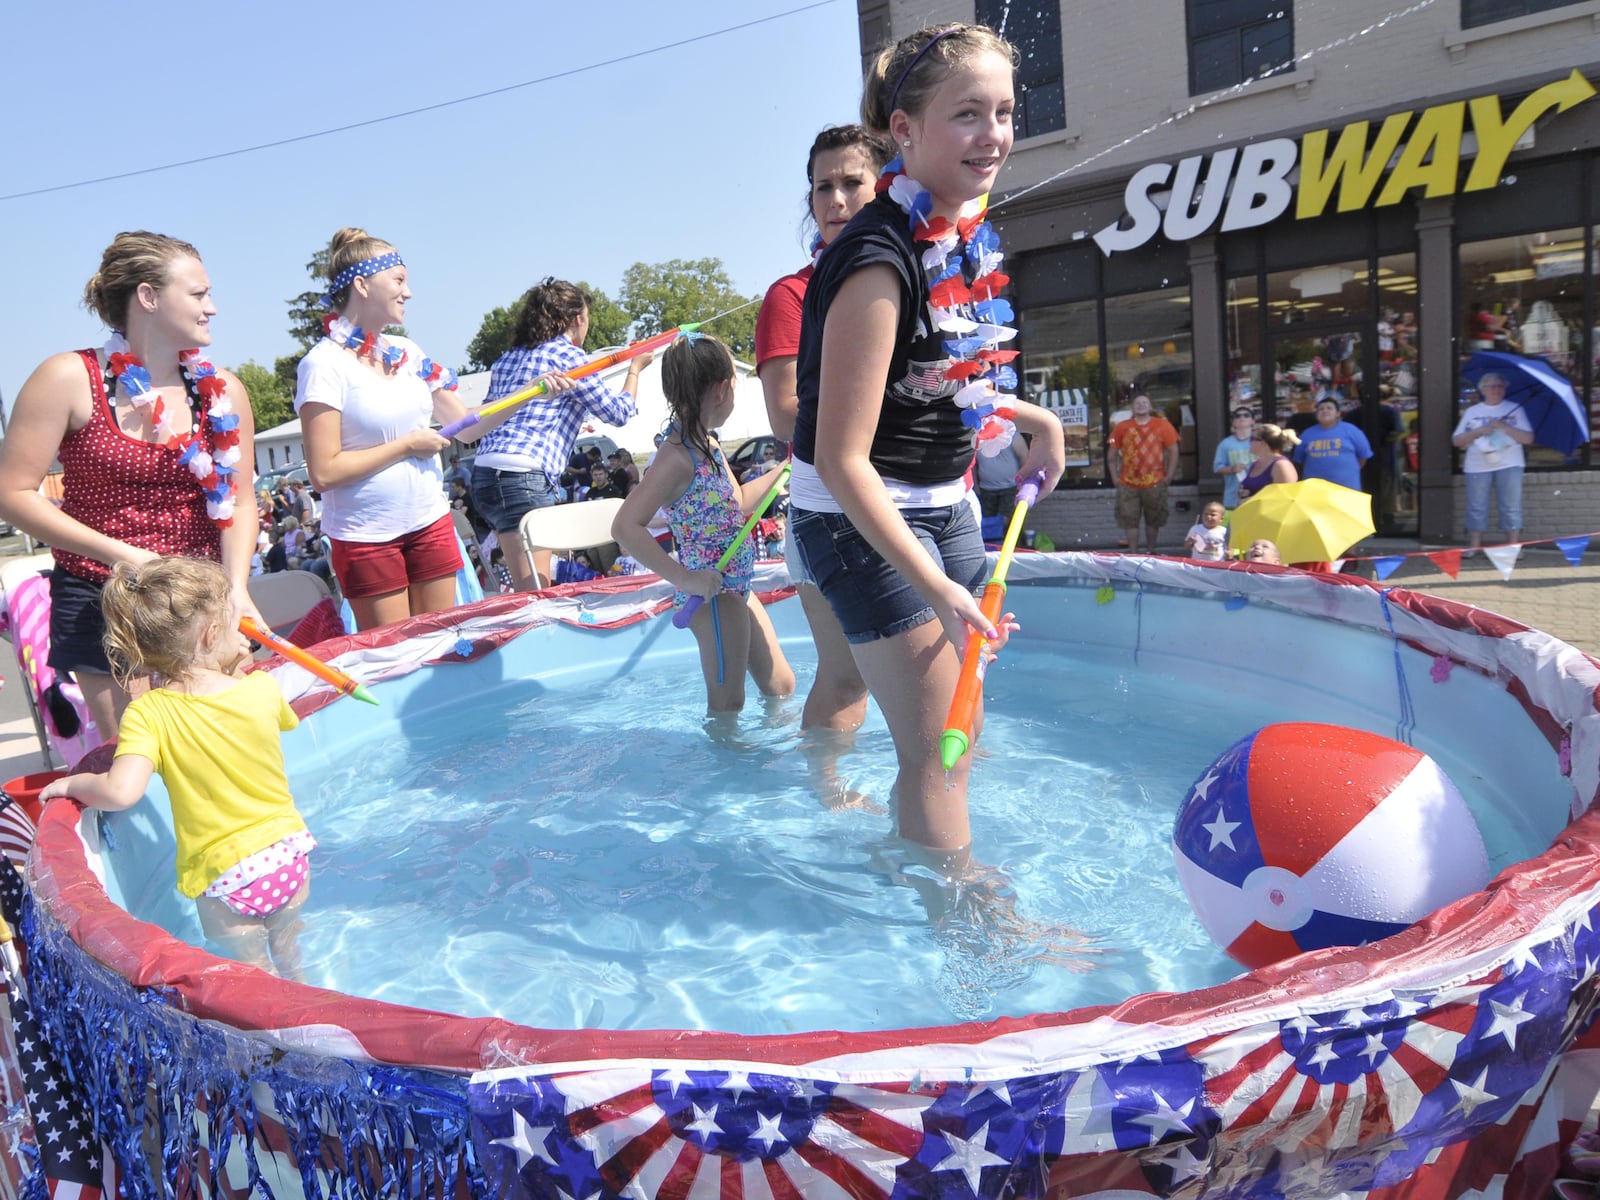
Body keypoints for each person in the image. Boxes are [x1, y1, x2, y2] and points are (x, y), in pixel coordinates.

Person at [786, 23, 1067, 859]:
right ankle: (973, 933)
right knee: (941, 749)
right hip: (859, 515)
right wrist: (939, 588)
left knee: (959, 731)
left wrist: (1036, 421)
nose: (995, 135)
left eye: (1006, 112)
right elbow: (841, 457)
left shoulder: (955, 231)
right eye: (968, 114)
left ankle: (900, 852)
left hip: (944, 505)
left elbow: (935, 377)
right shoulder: (879, 257)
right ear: (903, 130)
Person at [0, 231, 263, 738]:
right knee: (144, 762)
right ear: (148, 297)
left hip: (199, 601)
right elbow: (11, 494)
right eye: (198, 294)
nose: (213, 307)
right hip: (105, 599)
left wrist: (235, 590)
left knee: (230, 748)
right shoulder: (68, 377)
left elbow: (240, 498)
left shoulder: (224, 390)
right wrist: (128, 556)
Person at [40, 558, 313, 979]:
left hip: (226, 876)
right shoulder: (261, 688)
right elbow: (278, 719)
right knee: (292, 959)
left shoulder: (149, 713)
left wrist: (74, 782)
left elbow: (120, 792)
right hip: (288, 853)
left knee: (253, 979)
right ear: (211, 634)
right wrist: (234, 668)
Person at [296, 228, 552, 631]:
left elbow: (467, 427)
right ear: (362, 285)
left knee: (443, 642)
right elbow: (324, 473)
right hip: (366, 536)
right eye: (398, 280)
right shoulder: (322, 365)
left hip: (428, 522)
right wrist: (407, 445)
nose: (408, 292)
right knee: (395, 656)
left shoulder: (407, 354)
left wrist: (529, 392)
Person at [755, 122, 892, 753]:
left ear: (885, 183)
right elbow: (786, 418)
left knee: (952, 664)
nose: (835, 200)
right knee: (848, 676)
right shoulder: (790, 296)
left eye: (851, 183)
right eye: (821, 187)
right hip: (832, 508)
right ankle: (825, 801)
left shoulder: (922, 273)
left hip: (933, 501)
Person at [611, 335, 796, 717]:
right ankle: (734, 774)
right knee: (728, 705)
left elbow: (738, 502)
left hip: (735, 584)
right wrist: (685, 578)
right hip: (709, 593)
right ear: (721, 388)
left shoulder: (706, 445)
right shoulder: (676, 458)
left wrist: (787, 470)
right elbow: (625, 526)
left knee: (781, 686)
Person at [469, 279, 645, 591]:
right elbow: (618, 413)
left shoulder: (507, 359)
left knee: (528, 585)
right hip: (523, 475)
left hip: (485, 473)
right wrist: (635, 369)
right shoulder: (570, 358)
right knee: (537, 591)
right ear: (578, 319)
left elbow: (489, 413)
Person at [1452, 371, 1534, 554]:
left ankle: (1511, 546)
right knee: (1476, 505)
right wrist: (1479, 430)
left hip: (1510, 464)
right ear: (1483, 390)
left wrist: (1504, 427)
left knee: (1511, 506)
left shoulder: (1515, 409)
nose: (1496, 390)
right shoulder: (1473, 412)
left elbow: (1528, 438)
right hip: (1477, 465)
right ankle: (1474, 545)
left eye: (1500, 386)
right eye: (1492, 386)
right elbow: (1457, 441)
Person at [1108, 394, 1179, 552]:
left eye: (1145, 402)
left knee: (1154, 519)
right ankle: (1134, 553)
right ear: (1132, 408)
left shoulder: (1163, 425)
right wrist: (1114, 477)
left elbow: (1174, 451)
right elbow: (1111, 453)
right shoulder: (1121, 427)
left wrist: (1169, 477)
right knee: (1129, 520)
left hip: (1155, 482)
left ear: (1151, 407)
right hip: (1127, 483)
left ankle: (1150, 550)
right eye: (1137, 403)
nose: (1141, 405)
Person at [1294, 396, 1372, 492]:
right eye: (1321, 409)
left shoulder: (1352, 431)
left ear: (1338, 413)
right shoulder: (1306, 434)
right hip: (1316, 491)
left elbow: (1363, 456)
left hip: (1347, 489)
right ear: (1316, 414)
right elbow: (1299, 460)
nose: (1325, 411)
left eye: (1329, 408)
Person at [1237, 423, 1300, 501]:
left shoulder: (1281, 465)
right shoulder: (1256, 463)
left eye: (1252, 438)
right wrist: (1245, 493)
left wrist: (1251, 500)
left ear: (1263, 443)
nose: (1249, 442)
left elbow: (1285, 498)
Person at [1212, 408, 1256, 511]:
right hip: (1232, 499)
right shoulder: (1225, 444)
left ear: (1253, 421)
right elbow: (1217, 468)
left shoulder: (1260, 442)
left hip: (1257, 497)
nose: (1242, 418)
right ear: (1233, 422)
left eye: (1246, 415)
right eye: (1238, 416)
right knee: (1229, 526)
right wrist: (1232, 469)